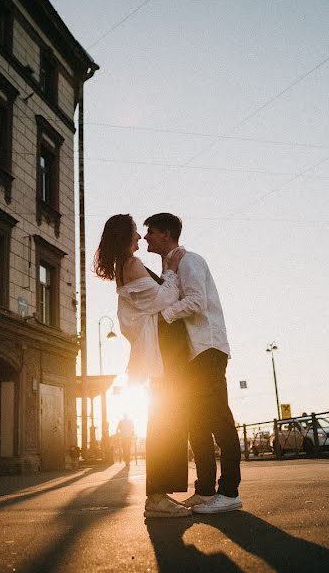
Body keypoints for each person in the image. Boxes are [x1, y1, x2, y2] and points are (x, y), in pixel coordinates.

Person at [143, 212, 242, 514]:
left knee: (218, 418)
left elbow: (197, 301)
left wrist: (164, 315)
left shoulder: (190, 261)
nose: (146, 238)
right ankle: (204, 491)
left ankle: (230, 492)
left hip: (208, 348)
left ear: (166, 234)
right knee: (197, 423)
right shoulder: (172, 265)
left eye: (151, 233)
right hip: (192, 355)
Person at [93, 214, 190, 518]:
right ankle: (157, 497)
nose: (140, 238)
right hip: (160, 355)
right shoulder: (132, 265)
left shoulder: (125, 269)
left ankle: (160, 495)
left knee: (164, 420)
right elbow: (163, 298)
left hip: (155, 354)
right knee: (165, 423)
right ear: (125, 238)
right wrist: (172, 271)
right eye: (136, 233)